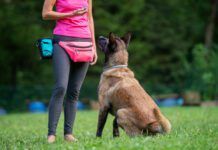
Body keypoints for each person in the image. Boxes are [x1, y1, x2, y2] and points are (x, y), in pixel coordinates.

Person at [42, 0, 97, 143]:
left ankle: (68, 133)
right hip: (62, 41)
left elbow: (89, 18)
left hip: (84, 43)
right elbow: (45, 14)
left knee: (74, 91)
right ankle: (51, 134)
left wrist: (94, 47)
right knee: (60, 87)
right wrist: (70, 14)